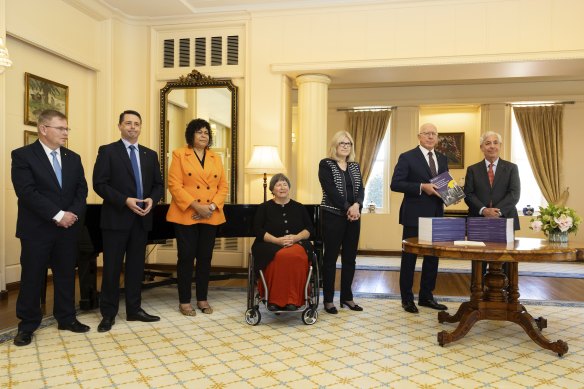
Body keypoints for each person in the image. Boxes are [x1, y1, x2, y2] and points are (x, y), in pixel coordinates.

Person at [11, 109, 90, 346]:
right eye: (61, 128)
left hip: (67, 229)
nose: (66, 133)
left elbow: (81, 190)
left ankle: (66, 318)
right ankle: (27, 325)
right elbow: (26, 192)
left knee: (66, 275)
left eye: (67, 129)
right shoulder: (23, 155)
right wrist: (57, 215)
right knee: (32, 278)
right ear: (43, 129)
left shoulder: (73, 158)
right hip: (37, 230)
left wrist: (71, 214)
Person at [93, 110, 164, 332]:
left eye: (136, 124)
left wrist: (153, 199)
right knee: (112, 269)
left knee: (135, 268)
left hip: (142, 220)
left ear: (140, 127)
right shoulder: (108, 151)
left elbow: (158, 184)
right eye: (128, 123)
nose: (133, 127)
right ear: (120, 126)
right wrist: (125, 200)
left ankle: (134, 310)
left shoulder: (150, 155)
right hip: (116, 219)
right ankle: (108, 314)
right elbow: (99, 184)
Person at [166, 118, 228, 316]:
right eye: (199, 132)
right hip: (186, 213)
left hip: (210, 214)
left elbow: (223, 187)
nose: (204, 135)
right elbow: (174, 185)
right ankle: (184, 301)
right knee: (186, 257)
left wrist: (210, 206)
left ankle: (202, 299)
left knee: (205, 258)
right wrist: (196, 206)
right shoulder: (179, 154)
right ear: (191, 135)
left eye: (206, 133)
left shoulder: (215, 158)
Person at [390, 123, 448, 314]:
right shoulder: (407, 157)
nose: (431, 137)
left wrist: (451, 195)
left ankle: (426, 297)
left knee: (432, 258)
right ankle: (407, 299)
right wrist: (421, 186)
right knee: (409, 258)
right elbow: (396, 184)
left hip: (436, 215)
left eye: (434, 134)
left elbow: (443, 184)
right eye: (427, 133)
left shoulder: (442, 158)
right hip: (413, 216)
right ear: (419, 136)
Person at [252, 174, 315, 311]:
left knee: (296, 256)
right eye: (278, 185)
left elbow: (310, 229)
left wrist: (296, 238)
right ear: (272, 189)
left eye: (285, 184)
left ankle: (294, 300)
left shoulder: (299, 207)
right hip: (269, 245)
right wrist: (277, 240)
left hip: (297, 243)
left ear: (289, 188)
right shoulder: (264, 208)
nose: (282, 187)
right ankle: (273, 300)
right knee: (279, 256)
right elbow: (257, 230)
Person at [318, 131, 364, 314]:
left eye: (349, 143)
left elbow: (361, 188)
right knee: (330, 259)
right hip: (332, 216)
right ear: (335, 145)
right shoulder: (326, 164)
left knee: (350, 259)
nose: (345, 146)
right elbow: (330, 191)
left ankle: (347, 297)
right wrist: (349, 207)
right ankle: (328, 300)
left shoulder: (354, 166)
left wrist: (357, 205)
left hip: (353, 217)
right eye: (342, 143)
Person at [464, 131, 521, 276]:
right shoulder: (472, 169)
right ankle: (477, 291)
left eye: (495, 143)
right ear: (481, 147)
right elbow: (468, 195)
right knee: (479, 260)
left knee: (506, 259)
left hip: (505, 218)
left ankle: (508, 292)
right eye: (488, 143)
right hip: (479, 220)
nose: (492, 146)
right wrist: (484, 210)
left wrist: (497, 211)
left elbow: (514, 194)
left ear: (500, 146)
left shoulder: (511, 168)